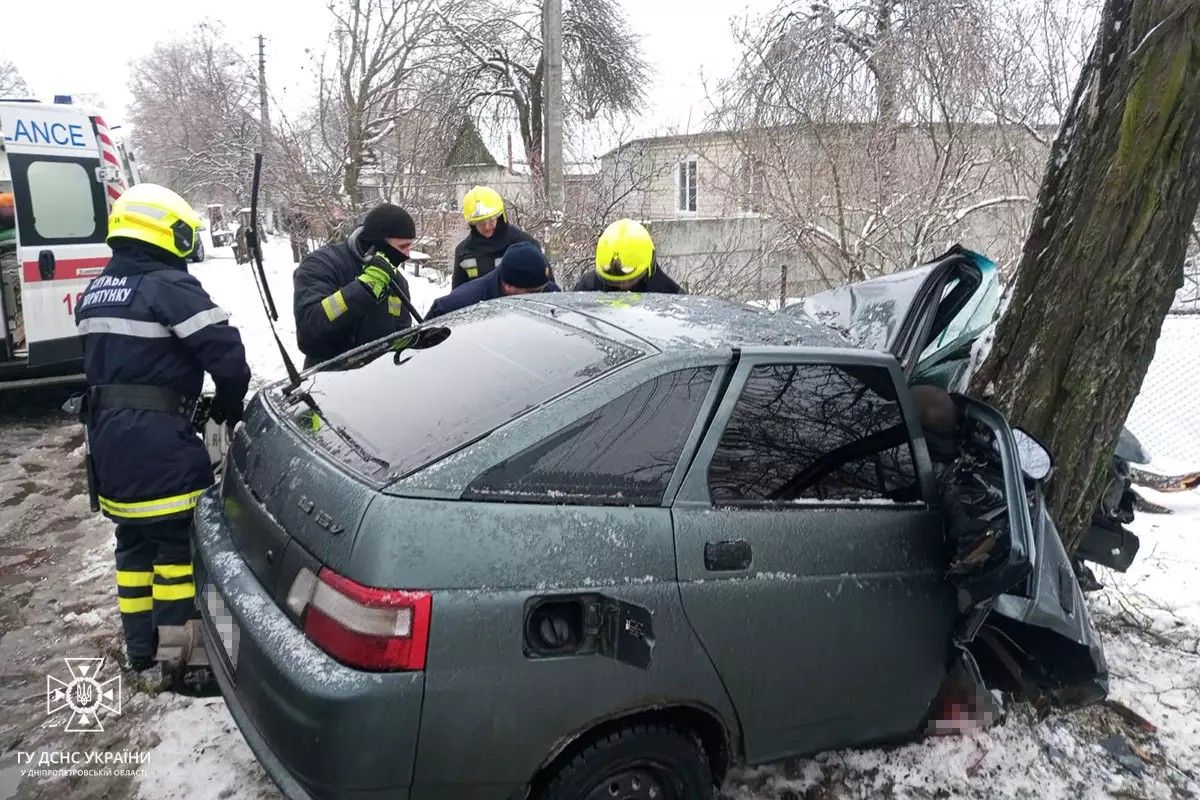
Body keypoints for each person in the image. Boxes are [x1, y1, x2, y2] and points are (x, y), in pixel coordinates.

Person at [73, 184, 250, 687]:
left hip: (108, 444)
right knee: (179, 552)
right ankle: (187, 666)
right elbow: (227, 355)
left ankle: (141, 651)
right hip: (158, 444)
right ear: (166, 231)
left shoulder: (96, 289)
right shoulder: (167, 285)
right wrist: (227, 405)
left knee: (133, 547)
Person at [294, 203, 417, 368]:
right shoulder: (322, 264)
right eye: (403, 247)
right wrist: (364, 288)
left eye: (410, 247)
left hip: (380, 376)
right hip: (330, 377)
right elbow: (309, 331)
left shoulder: (396, 281)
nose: (407, 255)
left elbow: (401, 334)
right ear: (377, 245)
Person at [427, 240, 559, 319]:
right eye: (534, 292)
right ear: (509, 287)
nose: (542, 295)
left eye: (543, 288)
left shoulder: (550, 292)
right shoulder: (461, 303)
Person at [451, 185, 538, 288]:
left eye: (491, 220)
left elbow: (545, 287)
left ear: (500, 217)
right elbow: (458, 292)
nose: (487, 226)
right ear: (472, 224)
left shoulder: (524, 243)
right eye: (480, 222)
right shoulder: (463, 252)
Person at [574, 218, 684, 294]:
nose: (622, 286)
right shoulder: (588, 287)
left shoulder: (669, 294)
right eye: (614, 281)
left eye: (631, 279)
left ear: (649, 268)